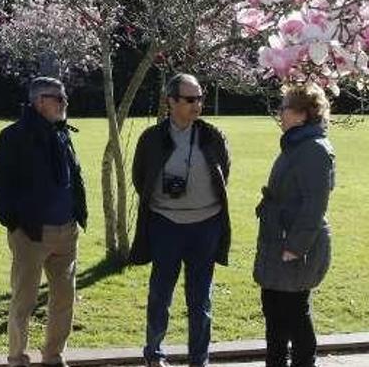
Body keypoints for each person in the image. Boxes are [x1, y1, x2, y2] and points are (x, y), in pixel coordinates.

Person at [130, 74, 232, 367]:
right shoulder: (151, 138)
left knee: (200, 300)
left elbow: (224, 172)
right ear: (171, 102)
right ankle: (154, 354)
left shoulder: (213, 135)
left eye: (199, 98)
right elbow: (141, 178)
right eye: (189, 99)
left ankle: (199, 359)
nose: (197, 104)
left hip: (206, 226)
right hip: (166, 226)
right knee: (160, 294)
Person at [0, 77, 87, 367]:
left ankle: (53, 356)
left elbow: (74, 176)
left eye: (64, 98)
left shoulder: (62, 133)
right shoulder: (13, 136)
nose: (64, 103)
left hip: (66, 231)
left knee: (64, 300)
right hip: (30, 234)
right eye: (59, 98)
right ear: (40, 101)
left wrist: (78, 214)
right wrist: (14, 222)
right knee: (24, 301)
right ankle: (17, 357)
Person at [254, 82, 336, 367]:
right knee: (275, 313)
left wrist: (296, 247)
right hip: (279, 239)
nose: (280, 113)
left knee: (294, 315)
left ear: (302, 114)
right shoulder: (295, 144)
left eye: (285, 107)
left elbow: (315, 204)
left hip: (295, 246)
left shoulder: (313, 149)